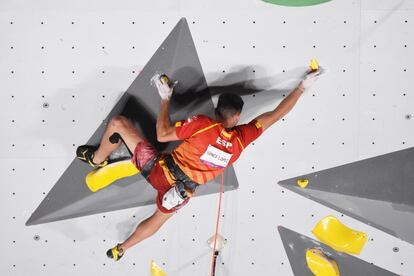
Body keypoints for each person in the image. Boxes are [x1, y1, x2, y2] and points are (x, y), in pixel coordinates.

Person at [76, 71, 319, 261]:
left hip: (159, 171)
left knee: (119, 123)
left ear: (216, 111)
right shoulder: (241, 139)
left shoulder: (204, 124)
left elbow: (162, 134)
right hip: (182, 192)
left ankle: (97, 159)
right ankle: (122, 248)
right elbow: (276, 114)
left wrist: (165, 98)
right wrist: (301, 87)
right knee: (158, 220)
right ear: (237, 117)